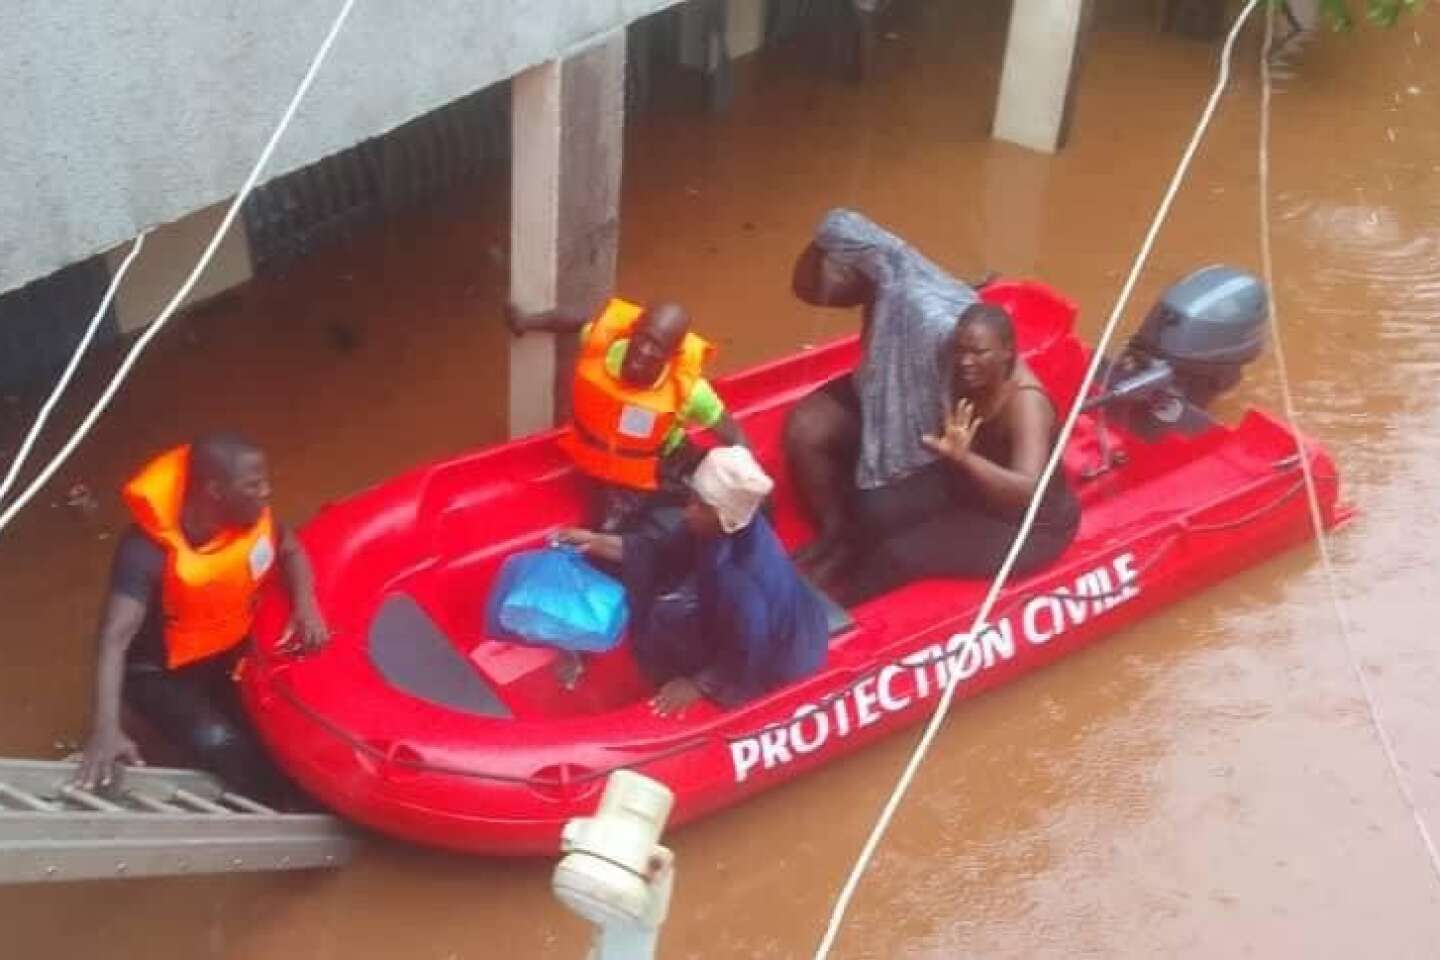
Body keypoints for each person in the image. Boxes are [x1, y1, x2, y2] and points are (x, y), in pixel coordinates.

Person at [73, 433, 329, 806]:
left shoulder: (250, 520)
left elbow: (291, 551)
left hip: (220, 651)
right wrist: (105, 728)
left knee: (278, 718)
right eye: (254, 484)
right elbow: (114, 638)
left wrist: (306, 605)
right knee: (220, 741)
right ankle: (294, 808)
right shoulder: (145, 552)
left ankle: (315, 783)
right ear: (215, 491)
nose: (267, 492)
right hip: (156, 673)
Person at [783, 208, 983, 584]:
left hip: (922, 417)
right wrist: (827, 238)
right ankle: (835, 532)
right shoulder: (882, 278)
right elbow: (808, 287)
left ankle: (860, 553)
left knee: (885, 501)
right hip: (872, 390)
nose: (843, 273)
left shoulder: (926, 301)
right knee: (805, 428)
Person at [836, 303, 1081, 604]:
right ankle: (841, 570)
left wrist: (964, 458)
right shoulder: (967, 375)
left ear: (1007, 351)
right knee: (875, 507)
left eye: (978, 352)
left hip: (1029, 526)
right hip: (976, 491)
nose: (966, 361)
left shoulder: (1026, 405)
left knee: (898, 553)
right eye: (960, 350)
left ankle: (846, 615)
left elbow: (1027, 490)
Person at [557, 446, 828, 717]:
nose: (688, 512)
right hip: (742, 618)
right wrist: (595, 542)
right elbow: (661, 553)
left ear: (724, 517)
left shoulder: (744, 583)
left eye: (701, 507)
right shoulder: (712, 525)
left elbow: (750, 652)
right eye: (693, 500)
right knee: (662, 604)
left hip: (777, 650)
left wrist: (699, 685)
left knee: (669, 616)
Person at [509, 298, 747, 535]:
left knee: (699, 513)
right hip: (596, 459)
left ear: (673, 353)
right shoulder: (603, 350)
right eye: (643, 337)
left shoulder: (691, 392)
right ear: (633, 330)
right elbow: (575, 320)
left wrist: (743, 477)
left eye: (656, 346)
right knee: (604, 530)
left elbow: (732, 433)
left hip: (660, 463)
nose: (643, 351)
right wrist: (528, 321)